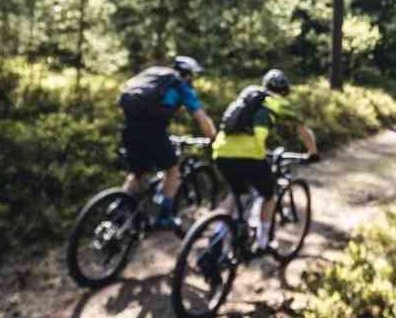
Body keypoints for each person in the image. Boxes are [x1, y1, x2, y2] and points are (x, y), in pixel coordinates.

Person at [211, 68, 318, 251]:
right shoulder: (278, 103)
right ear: (284, 91)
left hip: (221, 151)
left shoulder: (246, 98)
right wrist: (313, 152)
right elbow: (303, 130)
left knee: (237, 193)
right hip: (250, 154)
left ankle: (216, 235)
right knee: (269, 195)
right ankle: (264, 242)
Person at [117, 55, 217, 231]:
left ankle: (117, 210)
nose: (193, 80)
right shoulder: (181, 85)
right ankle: (164, 217)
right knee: (172, 170)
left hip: (129, 126)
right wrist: (214, 139)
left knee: (137, 173)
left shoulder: (153, 74)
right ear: (188, 74)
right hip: (153, 130)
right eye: (193, 76)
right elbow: (201, 118)